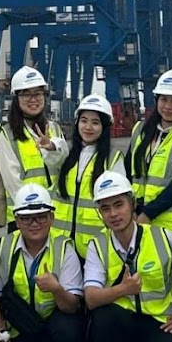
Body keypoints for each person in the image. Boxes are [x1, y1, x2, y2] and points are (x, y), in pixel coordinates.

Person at [82, 170, 172, 342]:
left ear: (132, 204)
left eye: (119, 205)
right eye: (105, 208)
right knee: (102, 317)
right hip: (123, 322)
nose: (113, 214)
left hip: (161, 321)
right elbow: (91, 298)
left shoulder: (163, 237)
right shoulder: (98, 245)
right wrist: (122, 289)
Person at [0, 184, 85, 342]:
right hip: (23, 330)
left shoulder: (64, 248)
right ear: (16, 220)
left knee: (68, 327)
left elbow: (72, 306)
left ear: (51, 218)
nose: (34, 224)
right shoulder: (4, 247)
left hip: (56, 324)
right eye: (26, 218)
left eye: (41, 217)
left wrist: (56, 289)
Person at [0, 65, 69, 221]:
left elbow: (64, 167)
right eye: (26, 94)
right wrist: (34, 210)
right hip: (24, 216)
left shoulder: (54, 129)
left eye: (38, 94)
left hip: (55, 213)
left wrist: (52, 147)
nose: (33, 99)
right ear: (16, 99)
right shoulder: (8, 134)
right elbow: (12, 181)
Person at [126, 67, 172, 237]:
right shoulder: (140, 131)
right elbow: (127, 171)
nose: (168, 106)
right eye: (164, 99)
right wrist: (133, 210)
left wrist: (148, 213)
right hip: (136, 220)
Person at [52, 92, 124, 257]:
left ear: (104, 127)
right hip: (62, 245)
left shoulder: (112, 160)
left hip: (96, 247)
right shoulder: (67, 157)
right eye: (83, 121)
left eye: (95, 122)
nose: (88, 127)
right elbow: (52, 153)